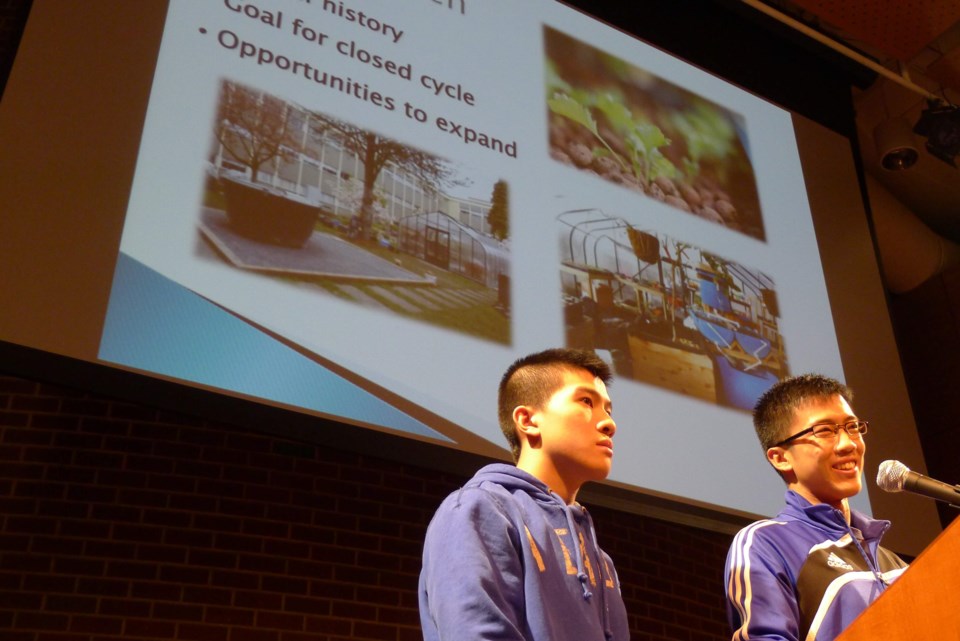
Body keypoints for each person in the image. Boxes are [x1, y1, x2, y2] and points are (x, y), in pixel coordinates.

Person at [418, 348, 630, 641]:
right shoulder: (477, 510)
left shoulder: (600, 560)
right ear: (528, 420)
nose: (609, 423)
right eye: (585, 401)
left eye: (608, 409)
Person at [724, 374, 908, 641]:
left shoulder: (894, 563)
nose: (848, 444)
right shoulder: (765, 543)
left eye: (852, 427)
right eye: (824, 431)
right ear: (781, 458)